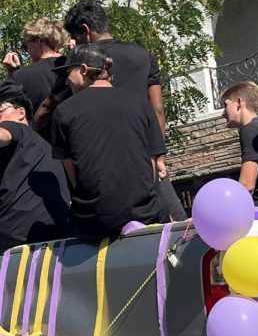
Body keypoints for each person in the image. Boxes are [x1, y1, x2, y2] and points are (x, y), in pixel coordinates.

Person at [60, 0, 188, 221]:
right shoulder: (142, 55)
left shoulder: (84, 65)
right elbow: (157, 109)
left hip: (101, 161)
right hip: (144, 152)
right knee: (174, 223)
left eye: (76, 38)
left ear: (85, 30)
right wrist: (158, 154)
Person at [50, 44, 169, 241]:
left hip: (94, 222)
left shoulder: (64, 111)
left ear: (84, 70)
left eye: (68, 73)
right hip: (145, 216)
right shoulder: (140, 103)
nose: (66, 81)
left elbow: (73, 175)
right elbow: (152, 166)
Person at [0, 80, 70, 250]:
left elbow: (4, 133)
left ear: (20, 113)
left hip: (10, 240)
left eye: (1, 110)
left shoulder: (17, 129)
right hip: (57, 239)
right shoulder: (44, 148)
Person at [3, 18, 70, 138]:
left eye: (27, 43)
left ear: (38, 42)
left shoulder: (21, 76)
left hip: (40, 148)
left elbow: (10, 116)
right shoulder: (76, 67)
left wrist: (12, 74)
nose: (27, 49)